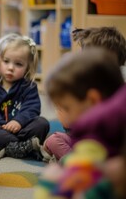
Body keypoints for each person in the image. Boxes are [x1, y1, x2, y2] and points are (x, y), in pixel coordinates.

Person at [34, 49, 125, 198]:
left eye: (67, 108)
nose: (63, 113)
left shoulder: (98, 126)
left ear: (93, 100)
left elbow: (88, 159)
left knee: (52, 176)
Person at [41, 26, 126, 162]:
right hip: (84, 141)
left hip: (104, 149)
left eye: (85, 55)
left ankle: (73, 163)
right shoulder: (87, 83)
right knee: (53, 139)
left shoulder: (114, 95)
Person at [0, 33, 50, 161]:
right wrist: (2, 124)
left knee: (42, 123)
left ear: (28, 66)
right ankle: (24, 147)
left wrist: (18, 122)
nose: (10, 68)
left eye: (18, 64)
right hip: (2, 129)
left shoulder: (29, 86)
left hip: (23, 127)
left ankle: (12, 147)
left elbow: (32, 108)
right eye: (6, 61)